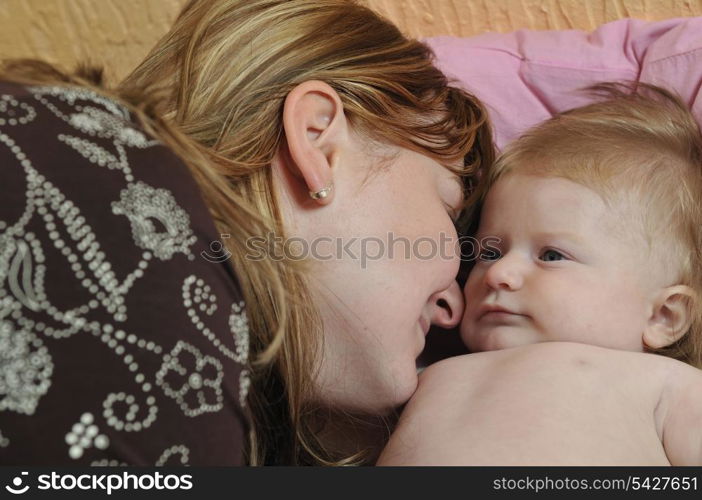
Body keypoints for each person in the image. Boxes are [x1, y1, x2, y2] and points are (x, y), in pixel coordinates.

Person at [4, 0, 702, 465]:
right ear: (318, 141)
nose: (459, 300)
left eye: (552, 252)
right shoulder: (99, 193)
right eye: (452, 216)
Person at [377, 83, 702, 465]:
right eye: (489, 252)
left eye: (551, 255)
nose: (500, 273)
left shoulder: (667, 384)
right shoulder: (422, 374)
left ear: (664, 316)